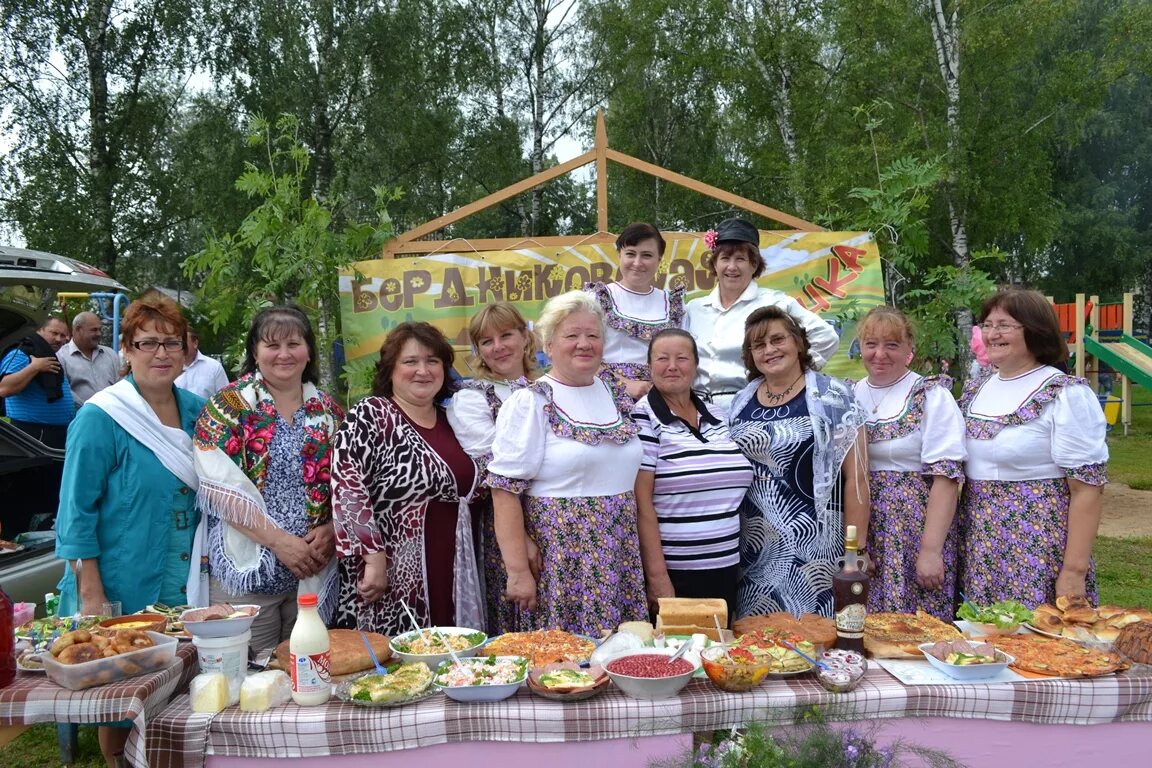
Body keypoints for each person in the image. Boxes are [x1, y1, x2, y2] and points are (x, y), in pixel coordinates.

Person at [53, 294, 203, 768]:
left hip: (188, 576)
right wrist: (91, 590)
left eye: (171, 343)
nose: (161, 353)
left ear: (185, 351)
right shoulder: (102, 417)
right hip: (123, 579)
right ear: (127, 349)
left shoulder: (201, 412)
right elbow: (75, 511)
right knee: (120, 700)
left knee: (182, 692)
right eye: (148, 343)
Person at [487, 290, 647, 635]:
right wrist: (517, 571)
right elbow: (503, 491)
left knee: (621, 662)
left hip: (617, 554)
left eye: (593, 335)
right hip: (561, 562)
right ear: (549, 343)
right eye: (571, 335)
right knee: (564, 668)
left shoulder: (614, 394)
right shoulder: (531, 401)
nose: (584, 344)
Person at [193, 307, 344, 651]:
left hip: (312, 569)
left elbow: (349, 483)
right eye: (272, 345)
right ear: (255, 352)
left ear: (308, 352)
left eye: (294, 343)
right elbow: (219, 489)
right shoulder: (227, 406)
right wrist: (279, 541)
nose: (284, 354)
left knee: (309, 668)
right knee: (250, 675)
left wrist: (333, 527)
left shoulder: (331, 412)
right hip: (249, 571)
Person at [331, 322, 481, 635]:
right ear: (391, 369)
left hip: (456, 567)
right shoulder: (372, 414)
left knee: (455, 662)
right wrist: (373, 559)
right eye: (410, 361)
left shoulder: (454, 418)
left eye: (433, 361)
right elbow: (348, 487)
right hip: (394, 574)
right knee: (405, 669)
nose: (423, 370)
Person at [959, 289, 1108, 605]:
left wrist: (1073, 572)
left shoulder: (1064, 393)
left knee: (1038, 646)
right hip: (979, 547)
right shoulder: (975, 390)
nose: (992, 334)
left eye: (1004, 325)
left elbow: (1087, 490)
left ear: (1035, 330)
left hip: (1037, 550)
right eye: (987, 324)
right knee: (984, 642)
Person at [727, 306, 868, 619]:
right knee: (755, 648)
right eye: (759, 345)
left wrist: (854, 550)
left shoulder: (835, 396)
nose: (770, 350)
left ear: (799, 343)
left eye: (778, 339)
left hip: (816, 549)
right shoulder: (740, 402)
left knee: (818, 642)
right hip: (754, 549)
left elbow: (856, 480)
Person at [853, 307, 965, 620]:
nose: (880, 354)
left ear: (909, 349)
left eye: (892, 345)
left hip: (916, 529)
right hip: (863, 529)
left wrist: (930, 551)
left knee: (918, 624)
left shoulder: (930, 395)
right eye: (871, 344)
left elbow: (946, 477)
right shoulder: (849, 395)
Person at [632, 329, 753, 617]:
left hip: (726, 566)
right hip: (676, 571)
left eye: (682, 358)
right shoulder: (642, 417)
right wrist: (658, 577)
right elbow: (641, 503)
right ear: (650, 367)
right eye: (662, 358)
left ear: (695, 365)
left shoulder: (719, 416)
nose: (672, 366)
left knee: (719, 655)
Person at [446, 302, 538, 633]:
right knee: (520, 621)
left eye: (506, 335)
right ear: (478, 351)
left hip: (560, 517)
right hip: (507, 520)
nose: (498, 347)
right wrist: (522, 536)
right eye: (487, 341)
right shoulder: (472, 398)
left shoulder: (548, 386)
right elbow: (491, 470)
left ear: (525, 337)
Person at [683, 217, 839, 408]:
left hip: (751, 408)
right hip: (696, 411)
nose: (732, 267)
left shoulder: (775, 303)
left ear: (754, 265)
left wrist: (792, 378)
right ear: (715, 264)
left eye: (740, 259)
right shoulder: (694, 308)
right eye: (725, 258)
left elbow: (827, 337)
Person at [585, 222, 684, 401]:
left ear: (659, 259)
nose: (637, 263)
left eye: (647, 255)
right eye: (630, 254)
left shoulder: (672, 304)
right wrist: (623, 384)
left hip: (661, 399)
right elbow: (581, 355)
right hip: (604, 395)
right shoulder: (597, 299)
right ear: (619, 256)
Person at [0, 316, 74, 447]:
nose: (59, 339)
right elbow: (4, 388)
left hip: (53, 433)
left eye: (63, 336)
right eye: (54, 333)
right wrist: (34, 367)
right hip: (34, 433)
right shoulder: (22, 352)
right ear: (39, 330)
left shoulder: (46, 353)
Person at [56, 311, 119, 408]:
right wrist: (90, 410)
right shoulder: (61, 356)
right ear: (78, 329)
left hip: (112, 416)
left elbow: (120, 385)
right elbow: (65, 392)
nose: (98, 333)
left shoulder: (110, 354)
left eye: (99, 329)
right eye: (94, 330)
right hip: (80, 418)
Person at [175, 327, 230, 399]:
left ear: (195, 343)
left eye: (184, 342)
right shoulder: (170, 368)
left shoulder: (214, 367)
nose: (180, 346)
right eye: (177, 343)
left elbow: (226, 398)